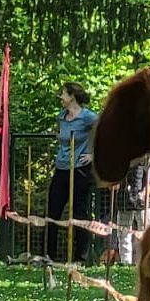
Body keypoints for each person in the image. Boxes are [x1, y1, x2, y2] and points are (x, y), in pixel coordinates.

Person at [46, 81, 98, 263]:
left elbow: (100, 132)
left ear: (72, 97)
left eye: (63, 94)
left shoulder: (88, 117)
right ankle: (48, 256)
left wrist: (92, 153)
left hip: (80, 170)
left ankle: (81, 258)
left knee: (79, 213)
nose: (61, 97)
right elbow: (61, 134)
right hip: (61, 168)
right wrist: (60, 137)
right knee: (53, 211)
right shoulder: (61, 116)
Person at [115, 155, 150, 265]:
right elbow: (113, 183)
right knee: (123, 234)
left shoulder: (146, 159)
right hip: (124, 203)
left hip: (143, 205)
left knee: (146, 234)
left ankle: (146, 262)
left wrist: (142, 194)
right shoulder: (119, 161)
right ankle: (125, 263)